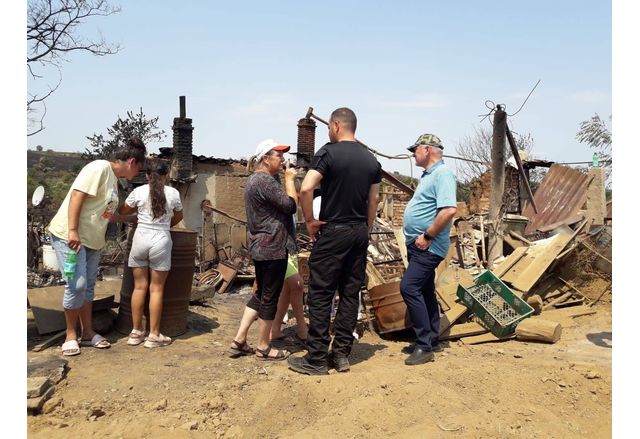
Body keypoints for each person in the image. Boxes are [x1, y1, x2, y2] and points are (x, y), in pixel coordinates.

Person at [288, 107, 381, 375]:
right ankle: (341, 355)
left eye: (329, 127)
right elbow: (373, 200)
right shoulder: (371, 160)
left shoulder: (328, 153)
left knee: (321, 293)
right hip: (358, 231)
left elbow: (306, 188)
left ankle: (316, 358)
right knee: (350, 293)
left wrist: (308, 220)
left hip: (333, 231)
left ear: (336, 125)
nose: (329, 131)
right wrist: (366, 227)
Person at [48, 138, 146, 356]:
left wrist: (129, 218)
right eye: (139, 167)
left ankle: (88, 332)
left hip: (92, 241)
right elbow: (77, 196)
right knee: (77, 285)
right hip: (70, 236)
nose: (138, 173)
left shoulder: (114, 181)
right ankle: (70, 335)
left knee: (89, 286)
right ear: (131, 161)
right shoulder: (99, 168)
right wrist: (73, 230)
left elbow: (106, 214)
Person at [228, 138, 298, 361]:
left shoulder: (255, 180)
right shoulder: (265, 182)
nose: (284, 159)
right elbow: (290, 206)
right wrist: (289, 180)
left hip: (261, 245)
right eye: (279, 156)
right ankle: (264, 347)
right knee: (270, 297)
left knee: (260, 294)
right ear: (266, 159)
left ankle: (239, 339)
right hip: (273, 246)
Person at [400, 134, 457, 366]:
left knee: (409, 287)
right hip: (419, 243)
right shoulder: (429, 175)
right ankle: (432, 338)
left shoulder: (443, 174)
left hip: (428, 244)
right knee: (424, 290)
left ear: (427, 149)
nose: (413, 154)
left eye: (415, 150)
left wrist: (428, 235)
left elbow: (449, 210)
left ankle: (424, 346)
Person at [118, 159, 184, 348]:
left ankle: (135, 332)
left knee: (139, 288)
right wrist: (165, 225)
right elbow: (179, 216)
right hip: (161, 241)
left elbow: (123, 210)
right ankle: (154, 335)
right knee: (156, 289)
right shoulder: (173, 193)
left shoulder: (138, 192)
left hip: (140, 239)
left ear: (146, 175)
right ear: (166, 175)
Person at [269, 254, 308, 347]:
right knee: (297, 284)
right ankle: (302, 330)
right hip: (278, 249)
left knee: (286, 288)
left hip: (289, 251)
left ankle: (275, 330)